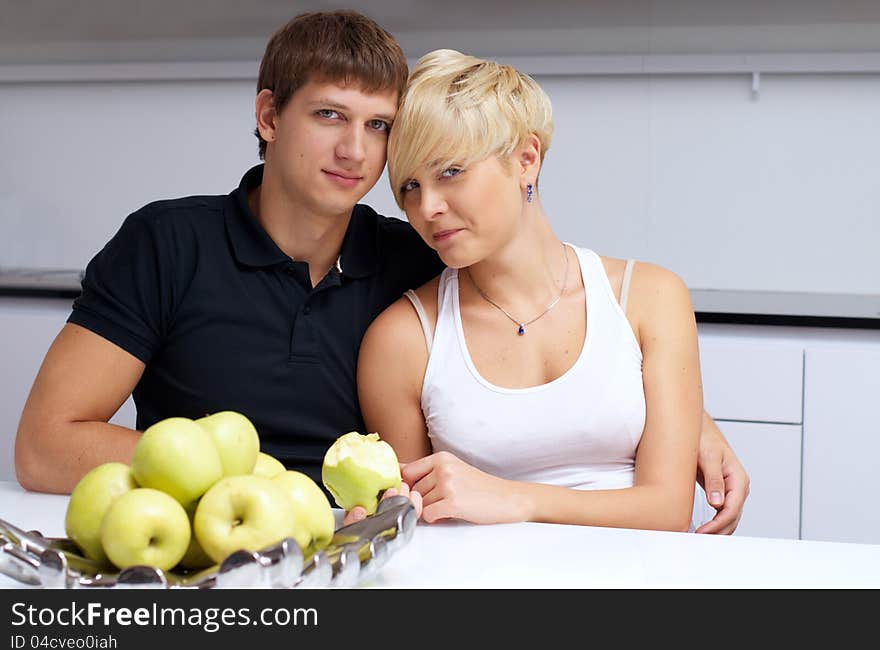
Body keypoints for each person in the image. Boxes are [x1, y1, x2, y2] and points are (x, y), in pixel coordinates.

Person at [14, 11, 746, 534]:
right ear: (269, 115)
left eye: (379, 126)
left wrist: (689, 421)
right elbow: (45, 446)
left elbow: (539, 308)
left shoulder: (414, 254)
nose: (356, 151)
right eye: (330, 115)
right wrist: (253, 480)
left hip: (359, 554)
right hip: (207, 546)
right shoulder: (168, 243)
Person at [354, 48, 717, 531]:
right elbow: (415, 527)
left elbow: (668, 513)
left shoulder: (650, 298)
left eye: (450, 172)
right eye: (410, 188)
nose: (428, 207)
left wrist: (513, 499)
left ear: (527, 159)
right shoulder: (402, 338)